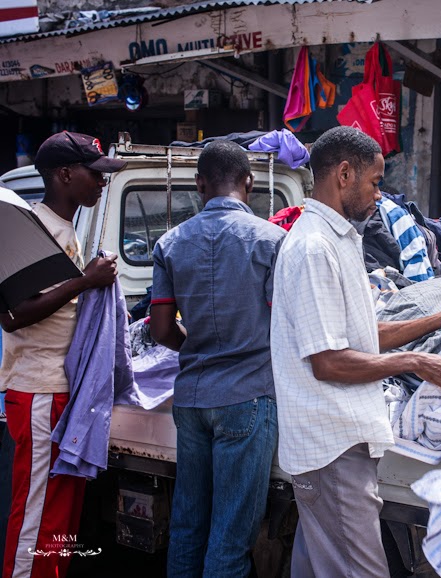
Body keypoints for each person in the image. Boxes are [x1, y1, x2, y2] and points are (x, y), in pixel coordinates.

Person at [270, 126, 441, 578]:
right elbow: (329, 361)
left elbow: (360, 336)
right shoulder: (314, 246)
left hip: (337, 445)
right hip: (333, 447)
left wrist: (440, 320)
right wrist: (418, 361)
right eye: (375, 182)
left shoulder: (337, 238)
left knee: (316, 566)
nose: (381, 195)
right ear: (344, 174)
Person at [150, 141, 285, 577]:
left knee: (188, 527)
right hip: (247, 397)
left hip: (191, 399)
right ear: (249, 183)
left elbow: (161, 330)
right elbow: (286, 327)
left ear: (199, 185)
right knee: (230, 536)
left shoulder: (170, 243)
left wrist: (200, 344)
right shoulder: (273, 240)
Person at [0, 131, 124, 578]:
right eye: (95, 175)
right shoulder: (29, 231)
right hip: (37, 393)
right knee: (37, 518)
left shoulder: (64, 230)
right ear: (65, 174)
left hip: (57, 393)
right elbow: (13, 316)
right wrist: (84, 282)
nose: (101, 183)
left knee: (60, 521)